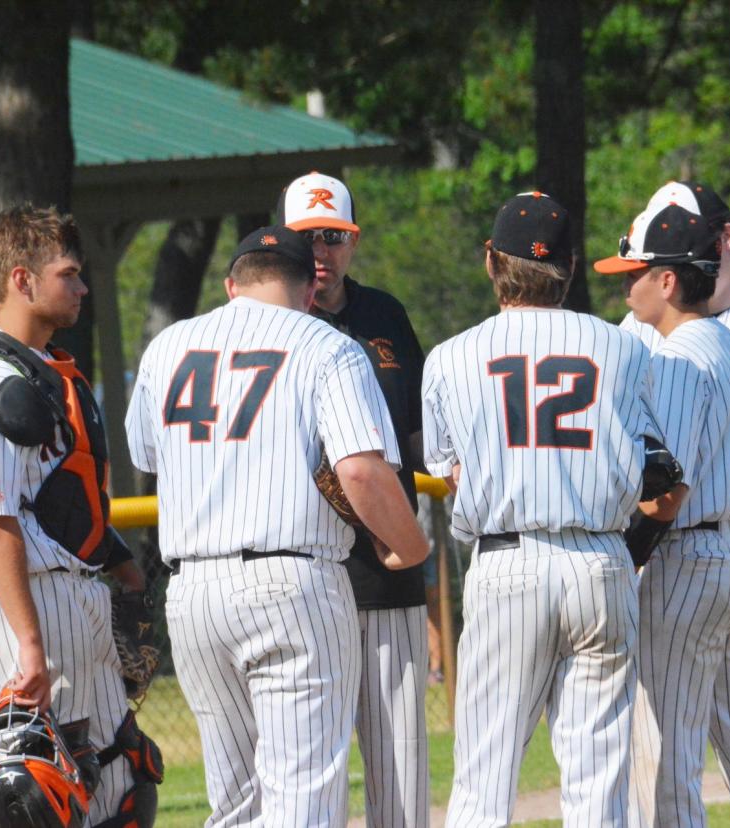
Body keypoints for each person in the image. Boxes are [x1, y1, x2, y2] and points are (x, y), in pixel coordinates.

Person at [126, 225, 429, 826]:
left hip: (193, 591)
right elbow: (363, 473)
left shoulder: (169, 346)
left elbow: (146, 455)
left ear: (230, 285)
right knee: (304, 797)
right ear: (308, 291)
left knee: (236, 801)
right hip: (292, 585)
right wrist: (410, 547)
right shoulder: (327, 345)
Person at [423, 191, 667, 827]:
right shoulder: (625, 347)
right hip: (601, 560)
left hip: (507, 561)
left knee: (485, 770)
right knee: (599, 776)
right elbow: (656, 464)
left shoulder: (450, 357)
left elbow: (447, 470)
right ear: (574, 265)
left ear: (490, 261)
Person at [596, 190, 730, 826]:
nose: (626, 285)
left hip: (689, 562)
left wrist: (628, 555)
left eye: (634, 273)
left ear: (667, 279)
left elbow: (669, 487)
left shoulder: (679, 357)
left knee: (666, 751)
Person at [0, 204, 161, 827]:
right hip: (28, 601)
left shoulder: (42, 375)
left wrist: (124, 570)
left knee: (124, 776)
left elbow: (66, 504)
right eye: (69, 274)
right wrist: (31, 643)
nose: (83, 287)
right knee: (50, 790)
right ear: (22, 280)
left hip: (68, 591)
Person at [280, 170, 431, 827]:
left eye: (334, 236)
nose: (322, 250)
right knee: (312, 764)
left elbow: (420, 432)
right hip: (305, 572)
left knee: (400, 757)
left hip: (387, 568)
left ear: (353, 241)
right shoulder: (273, 326)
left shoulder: (385, 316)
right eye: (308, 237)